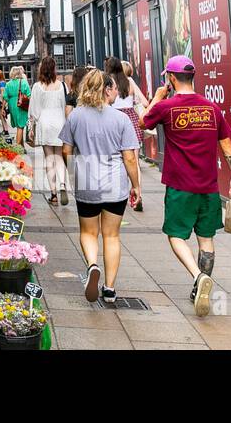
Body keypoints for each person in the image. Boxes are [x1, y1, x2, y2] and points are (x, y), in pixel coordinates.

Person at [142, 55, 231, 317]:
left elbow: (143, 122)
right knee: (206, 239)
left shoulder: (167, 107)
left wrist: (158, 97)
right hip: (208, 186)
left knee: (176, 235)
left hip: (180, 186)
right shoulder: (211, 108)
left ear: (172, 79)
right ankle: (201, 285)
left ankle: (198, 278)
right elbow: (227, 145)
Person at [60, 70, 141, 305]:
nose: (116, 91)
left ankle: (93, 265)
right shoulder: (121, 119)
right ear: (106, 89)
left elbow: (65, 150)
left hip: (87, 182)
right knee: (112, 236)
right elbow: (129, 158)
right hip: (115, 184)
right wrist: (135, 186)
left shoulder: (75, 116)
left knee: (88, 232)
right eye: (113, 87)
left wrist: (74, 171)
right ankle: (110, 288)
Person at [107, 57, 148, 211]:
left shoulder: (108, 82)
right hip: (131, 120)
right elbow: (144, 102)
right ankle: (138, 194)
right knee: (134, 160)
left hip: (112, 120)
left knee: (114, 159)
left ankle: (118, 195)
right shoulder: (129, 81)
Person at [28, 55, 70, 205]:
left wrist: (30, 126)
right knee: (59, 157)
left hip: (45, 124)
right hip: (60, 123)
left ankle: (53, 194)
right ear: (54, 69)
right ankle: (63, 185)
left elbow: (33, 110)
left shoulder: (37, 87)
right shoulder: (62, 86)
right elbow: (66, 107)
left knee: (49, 159)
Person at [3, 66, 32, 146]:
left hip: (12, 105)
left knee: (19, 126)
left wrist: (2, 108)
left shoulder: (8, 84)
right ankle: (17, 147)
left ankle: (22, 147)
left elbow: (5, 97)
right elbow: (29, 95)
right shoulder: (23, 82)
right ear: (19, 73)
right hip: (21, 105)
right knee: (20, 126)